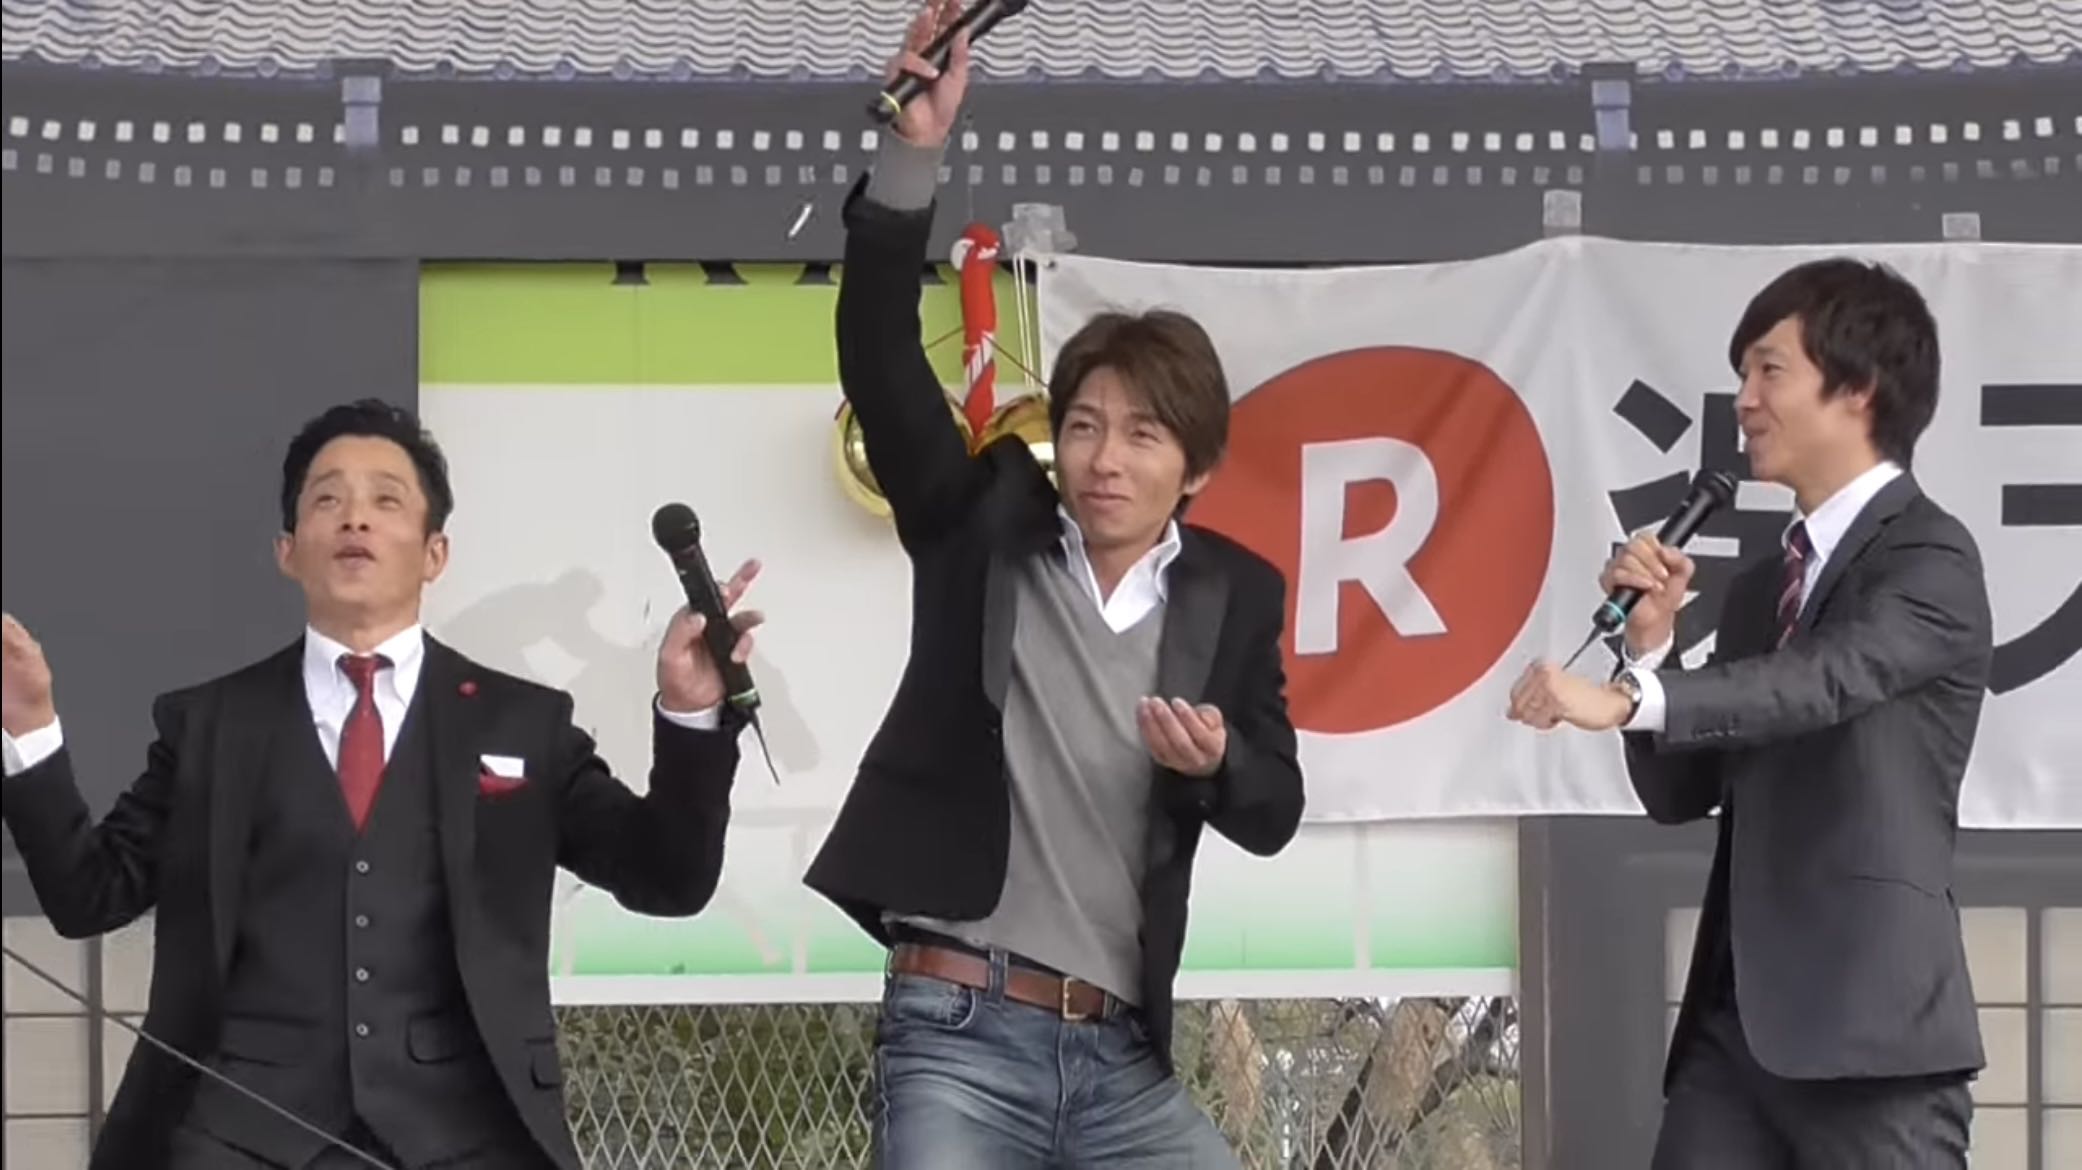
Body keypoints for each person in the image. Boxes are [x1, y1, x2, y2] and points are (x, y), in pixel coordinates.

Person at [0, 399, 761, 1170]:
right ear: (287, 550)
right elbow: (88, 896)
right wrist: (28, 728)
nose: (354, 518)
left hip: (469, 1138)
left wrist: (690, 717)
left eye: (386, 500)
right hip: (237, 1137)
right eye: (327, 499)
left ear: (435, 553)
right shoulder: (211, 724)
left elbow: (669, 880)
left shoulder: (520, 724)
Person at [801, 4, 1304, 1166]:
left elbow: (1275, 807)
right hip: (958, 1026)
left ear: (1197, 468)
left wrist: (1219, 760)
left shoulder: (1234, 592)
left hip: (1121, 1056)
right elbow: (880, 357)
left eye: (1141, 434)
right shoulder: (985, 525)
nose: (1104, 457)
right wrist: (913, 155)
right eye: (1084, 425)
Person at [1507, 259, 1989, 1166]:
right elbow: (1680, 792)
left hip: (1874, 1038)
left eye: (1770, 370)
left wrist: (1627, 698)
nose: (1744, 400)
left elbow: (1823, 680)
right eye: (1742, 374)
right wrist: (1651, 646)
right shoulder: (1765, 584)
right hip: (1734, 1035)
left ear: (1858, 387)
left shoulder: (1931, 558)